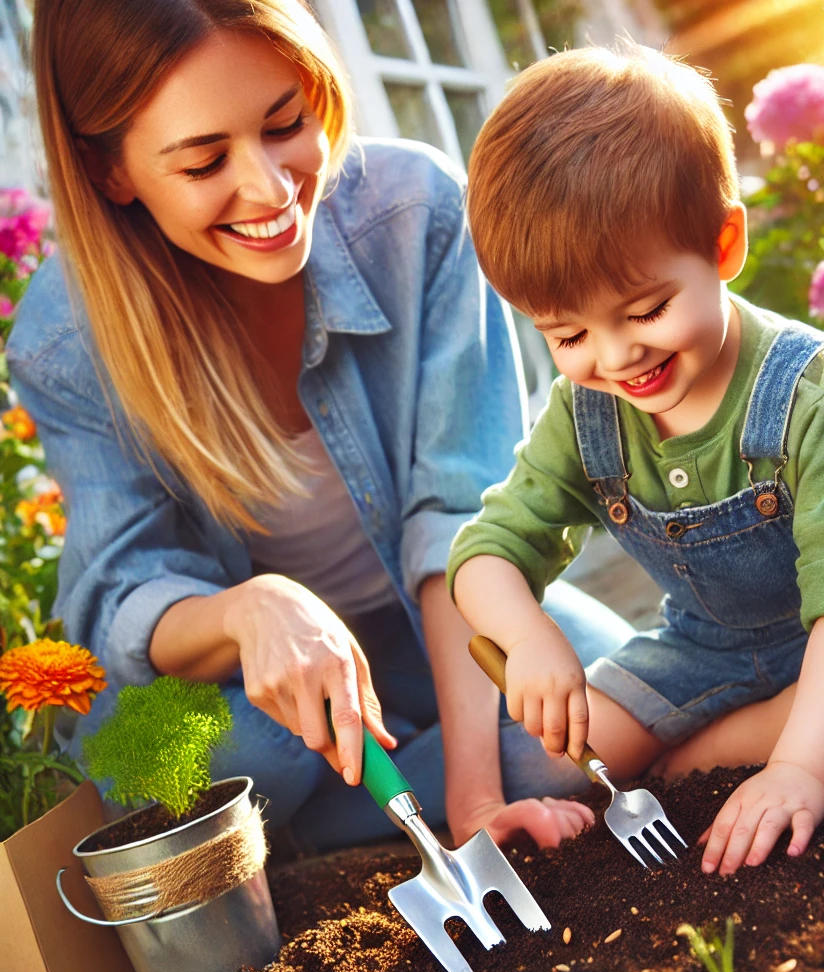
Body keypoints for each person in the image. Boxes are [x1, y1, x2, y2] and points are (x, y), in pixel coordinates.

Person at [6, 0, 634, 852]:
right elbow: (123, 594)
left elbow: (459, 520)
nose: (270, 189)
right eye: (203, 163)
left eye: (285, 123)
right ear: (110, 170)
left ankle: (390, 801)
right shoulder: (65, 338)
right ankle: (393, 787)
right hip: (237, 694)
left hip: (430, 624)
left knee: (604, 713)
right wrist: (250, 611)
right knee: (242, 757)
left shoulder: (416, 214)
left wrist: (481, 803)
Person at [448, 43, 824, 877]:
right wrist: (526, 637)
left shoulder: (815, 395)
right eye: (567, 335)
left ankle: (720, 754)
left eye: (648, 309)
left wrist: (801, 770)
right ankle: (759, 733)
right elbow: (484, 552)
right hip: (705, 649)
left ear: (724, 244)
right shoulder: (586, 409)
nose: (617, 356)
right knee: (551, 755)